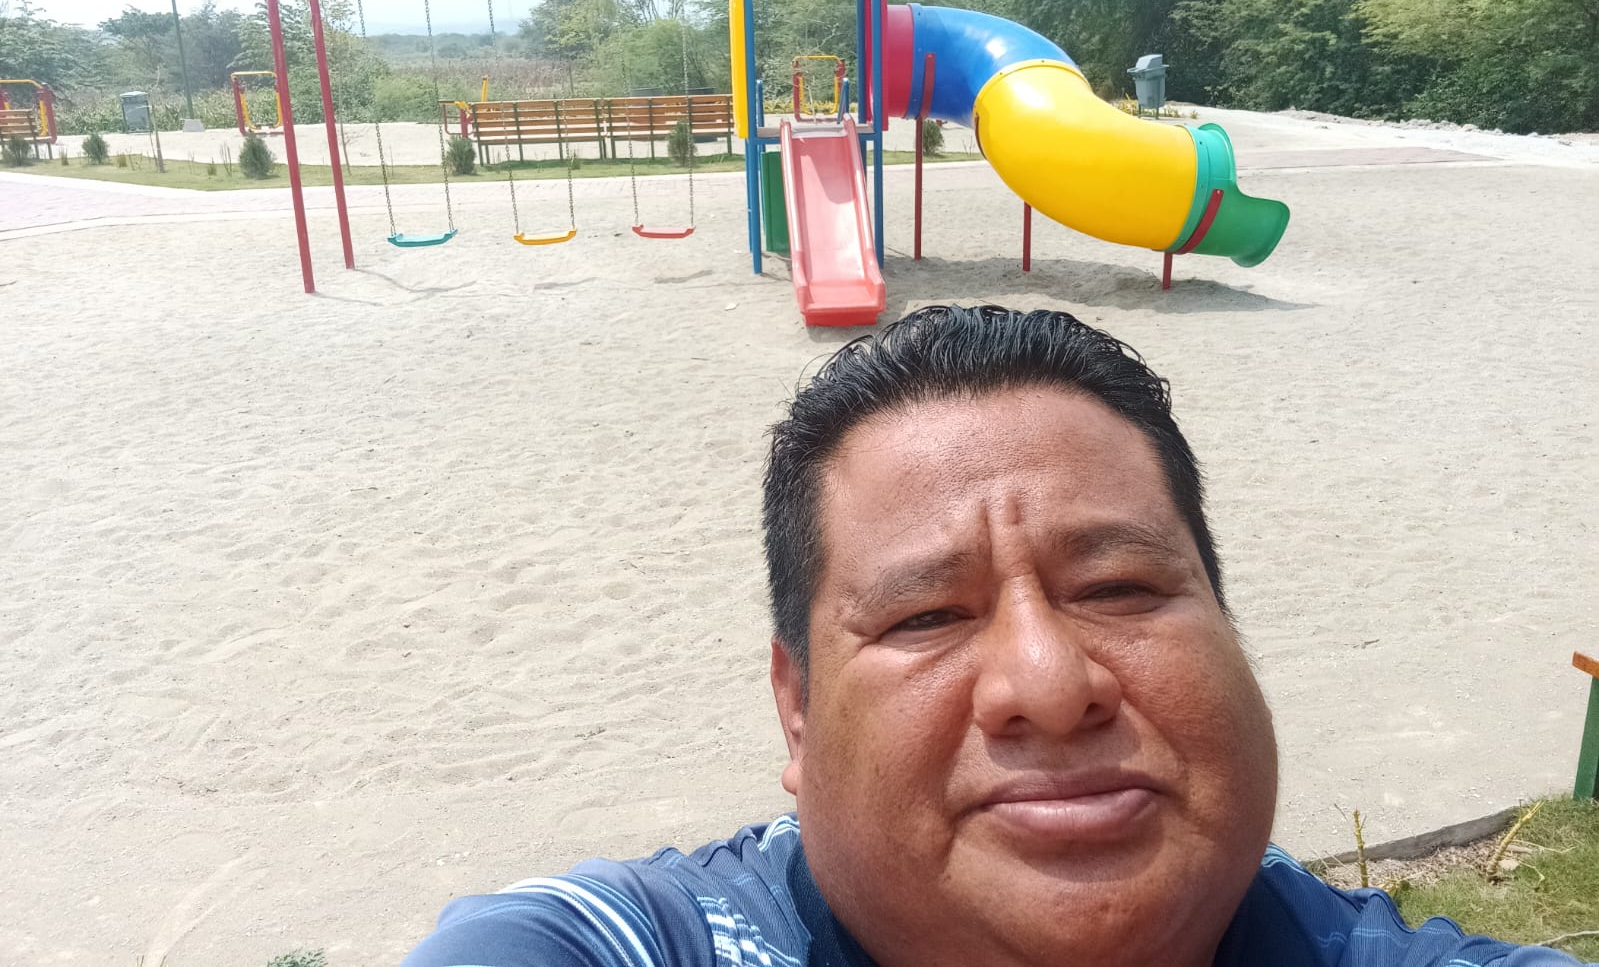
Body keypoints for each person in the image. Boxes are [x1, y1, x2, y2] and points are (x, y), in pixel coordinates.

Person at [403, 305, 1589, 967]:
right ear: (798, 710)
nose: (1049, 682)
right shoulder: (638, 945)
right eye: (927, 614)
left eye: (1121, 587)